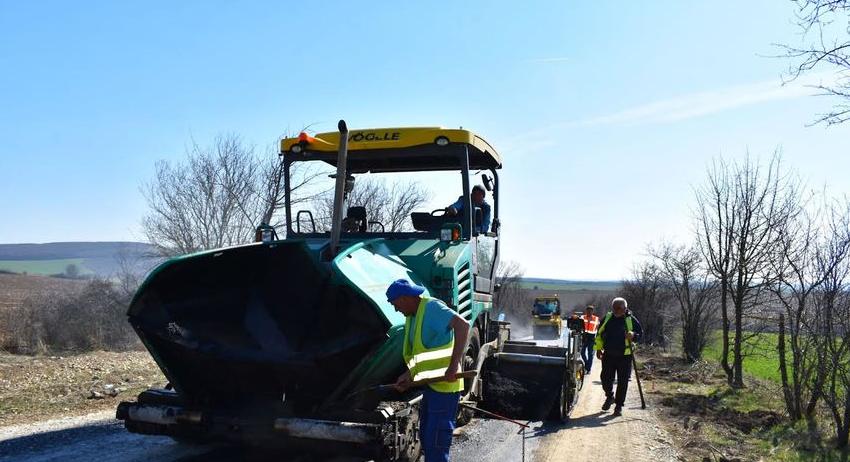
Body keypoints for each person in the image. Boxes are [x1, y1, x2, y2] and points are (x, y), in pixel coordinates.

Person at [388, 279, 470, 462]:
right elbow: (423, 356)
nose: (395, 310)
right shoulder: (413, 316)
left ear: (405, 298)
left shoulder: (431, 308)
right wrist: (408, 376)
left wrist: (453, 366)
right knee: (426, 437)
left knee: (436, 442)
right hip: (432, 387)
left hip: (445, 389)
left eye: (395, 304)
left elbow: (463, 326)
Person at [594, 297, 643, 417]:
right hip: (609, 355)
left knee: (623, 382)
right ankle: (610, 397)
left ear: (625, 308)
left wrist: (633, 335)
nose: (616, 310)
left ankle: (619, 406)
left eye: (619, 308)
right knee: (605, 379)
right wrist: (598, 349)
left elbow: (640, 334)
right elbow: (599, 334)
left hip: (624, 357)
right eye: (614, 308)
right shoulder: (608, 318)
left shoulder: (630, 320)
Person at [579, 305, 600, 373]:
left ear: (592, 311)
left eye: (590, 311)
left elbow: (599, 329)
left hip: (592, 337)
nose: (589, 312)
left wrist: (597, 338)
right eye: (588, 311)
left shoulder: (596, 319)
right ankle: (587, 364)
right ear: (586, 311)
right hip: (584, 336)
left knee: (590, 354)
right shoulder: (583, 317)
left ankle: (588, 369)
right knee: (582, 353)